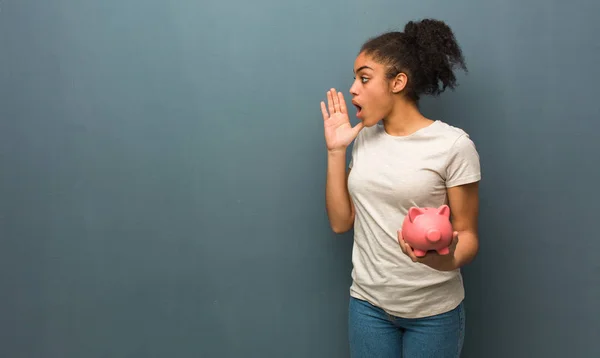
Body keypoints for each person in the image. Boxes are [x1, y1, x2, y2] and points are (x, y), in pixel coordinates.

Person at [320, 18, 481, 357]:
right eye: (354, 78)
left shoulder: (453, 145)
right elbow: (340, 222)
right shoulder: (362, 138)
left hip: (434, 312)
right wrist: (336, 151)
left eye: (364, 78)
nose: (352, 88)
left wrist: (441, 262)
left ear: (398, 82)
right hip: (368, 306)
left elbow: (467, 237)